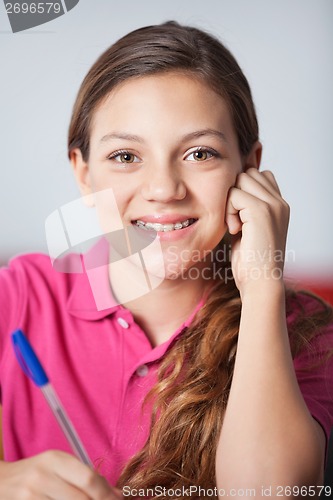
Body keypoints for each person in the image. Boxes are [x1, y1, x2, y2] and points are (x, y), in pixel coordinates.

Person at [0, 20, 332, 499]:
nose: (164, 189)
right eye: (125, 156)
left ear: (250, 169)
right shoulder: (19, 298)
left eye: (199, 153)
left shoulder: (305, 331)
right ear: (84, 175)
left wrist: (262, 289)